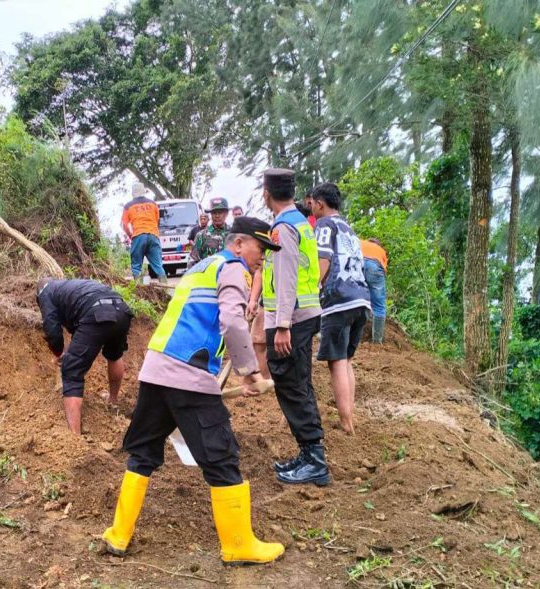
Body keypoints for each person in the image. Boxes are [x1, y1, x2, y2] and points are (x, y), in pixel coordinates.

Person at [102, 217, 285, 566]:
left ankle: (119, 535)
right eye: (260, 249)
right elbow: (231, 321)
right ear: (238, 244)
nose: (262, 257)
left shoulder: (202, 267)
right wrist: (249, 372)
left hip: (157, 370)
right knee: (221, 457)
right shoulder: (232, 268)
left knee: (142, 452)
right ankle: (238, 545)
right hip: (187, 373)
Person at [260, 168, 330, 486]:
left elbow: (286, 275)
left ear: (267, 194)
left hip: (293, 318)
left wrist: (283, 324)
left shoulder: (284, 227)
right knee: (298, 381)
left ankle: (314, 459)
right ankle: (308, 454)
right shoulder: (301, 223)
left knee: (290, 381)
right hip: (305, 312)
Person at [307, 182, 371, 436]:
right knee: (347, 361)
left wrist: (313, 292)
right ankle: (349, 417)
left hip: (339, 298)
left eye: (312, 204)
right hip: (360, 298)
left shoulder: (324, 225)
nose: (310, 208)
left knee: (337, 362)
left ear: (320, 204)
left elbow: (323, 258)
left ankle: (346, 422)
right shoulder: (348, 228)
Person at [37, 278, 134, 435]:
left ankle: (74, 438)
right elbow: (81, 329)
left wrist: (59, 353)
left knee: (71, 372)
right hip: (122, 310)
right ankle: (113, 400)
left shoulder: (45, 293)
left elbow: (52, 329)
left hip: (96, 313)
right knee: (114, 355)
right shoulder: (70, 287)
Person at [121, 183, 167, 284]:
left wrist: (130, 236)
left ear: (133, 193)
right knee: (158, 265)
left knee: (136, 266)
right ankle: (165, 289)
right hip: (153, 235)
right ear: (144, 191)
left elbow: (124, 225)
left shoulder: (128, 206)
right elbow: (157, 221)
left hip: (138, 235)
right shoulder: (153, 204)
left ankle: (140, 291)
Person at [360, 238, 388, 344]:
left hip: (359, 263)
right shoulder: (381, 251)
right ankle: (377, 341)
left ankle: (355, 337)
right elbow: (382, 273)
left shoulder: (361, 243)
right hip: (375, 267)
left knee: (357, 301)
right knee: (379, 307)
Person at [188, 197, 231, 267]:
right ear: (211, 214)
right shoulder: (201, 235)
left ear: (226, 213)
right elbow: (193, 261)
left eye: (220, 212)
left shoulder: (233, 235)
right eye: (214, 213)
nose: (217, 216)